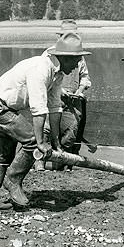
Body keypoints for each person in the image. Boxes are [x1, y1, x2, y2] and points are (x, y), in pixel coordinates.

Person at [0, 31, 91, 212]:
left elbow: (54, 108)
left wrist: (55, 142)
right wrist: (41, 142)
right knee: (32, 141)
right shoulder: (41, 69)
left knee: (3, 154)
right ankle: (13, 180)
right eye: (76, 59)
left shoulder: (57, 74)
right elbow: (39, 109)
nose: (78, 64)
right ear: (65, 57)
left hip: (6, 107)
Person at [36, 19, 92, 171]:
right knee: (46, 132)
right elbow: (43, 81)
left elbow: (85, 78)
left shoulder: (79, 56)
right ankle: (39, 166)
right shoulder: (49, 54)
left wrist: (79, 91)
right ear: (59, 37)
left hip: (71, 104)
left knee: (69, 135)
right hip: (52, 100)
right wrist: (60, 91)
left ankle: (60, 167)